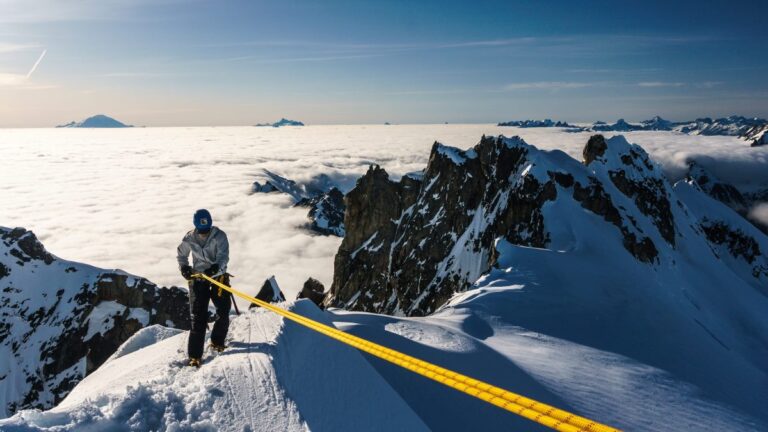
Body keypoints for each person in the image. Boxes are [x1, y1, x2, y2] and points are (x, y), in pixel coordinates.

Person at [177, 209, 231, 367]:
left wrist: (215, 268)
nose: (204, 232)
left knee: (223, 311)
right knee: (198, 317)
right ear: (196, 226)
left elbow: (223, 257)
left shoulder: (220, 236)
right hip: (199, 279)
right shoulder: (189, 238)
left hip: (218, 278)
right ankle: (195, 355)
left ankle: (217, 341)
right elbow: (181, 254)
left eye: (206, 229)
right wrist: (184, 268)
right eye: (201, 230)